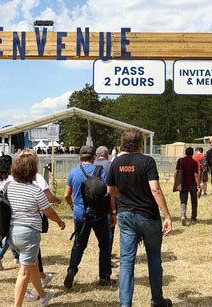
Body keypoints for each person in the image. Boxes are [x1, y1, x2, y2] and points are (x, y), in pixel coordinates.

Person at [107, 129, 172, 307]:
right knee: (154, 258)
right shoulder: (147, 161)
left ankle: (125, 304)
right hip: (148, 216)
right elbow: (155, 190)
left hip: (126, 215)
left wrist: (123, 196)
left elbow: (110, 191)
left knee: (126, 261)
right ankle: (157, 300)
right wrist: (167, 215)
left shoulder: (116, 162)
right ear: (139, 143)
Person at [7, 154, 65, 307]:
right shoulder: (36, 190)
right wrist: (59, 221)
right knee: (24, 272)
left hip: (11, 233)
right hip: (28, 234)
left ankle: (43, 295)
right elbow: (49, 212)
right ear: (32, 171)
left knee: (32, 264)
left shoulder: (9, 187)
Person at [63, 145, 115, 290]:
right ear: (94, 157)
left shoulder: (74, 172)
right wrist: (113, 212)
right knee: (104, 246)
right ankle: (104, 278)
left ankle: (72, 269)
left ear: (80, 157)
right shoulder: (100, 171)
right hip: (99, 214)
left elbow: (66, 195)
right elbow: (109, 193)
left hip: (80, 215)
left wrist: (73, 206)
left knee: (79, 244)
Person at [0, 155, 20, 270]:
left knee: (7, 231)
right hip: (8, 207)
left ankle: (17, 256)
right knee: (8, 234)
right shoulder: (11, 179)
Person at [94, 145, 117, 268]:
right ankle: (106, 256)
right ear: (107, 154)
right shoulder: (110, 165)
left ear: (97, 155)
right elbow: (114, 186)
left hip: (92, 203)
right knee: (109, 231)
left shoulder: (91, 164)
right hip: (108, 203)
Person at [176, 147, 200, 226]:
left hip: (183, 184)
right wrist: (198, 185)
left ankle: (183, 215)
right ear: (192, 153)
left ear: (185, 153)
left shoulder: (180, 161)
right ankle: (193, 218)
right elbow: (196, 175)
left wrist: (176, 182)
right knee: (194, 202)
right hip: (192, 185)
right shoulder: (194, 162)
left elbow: (176, 172)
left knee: (183, 201)